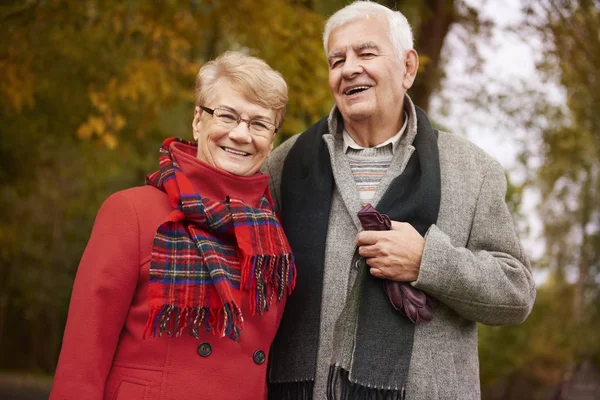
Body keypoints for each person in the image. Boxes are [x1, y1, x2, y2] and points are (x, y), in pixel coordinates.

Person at [262, 2, 536, 399]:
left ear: (408, 67)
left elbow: (516, 294)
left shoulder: (472, 169)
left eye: (366, 53)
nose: (349, 68)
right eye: (336, 60)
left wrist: (429, 261)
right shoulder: (286, 164)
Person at [50, 51, 295, 400]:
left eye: (259, 124)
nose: (241, 134)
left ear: (271, 140)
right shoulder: (131, 213)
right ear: (198, 121)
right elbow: (82, 360)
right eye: (227, 115)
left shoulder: (272, 236)